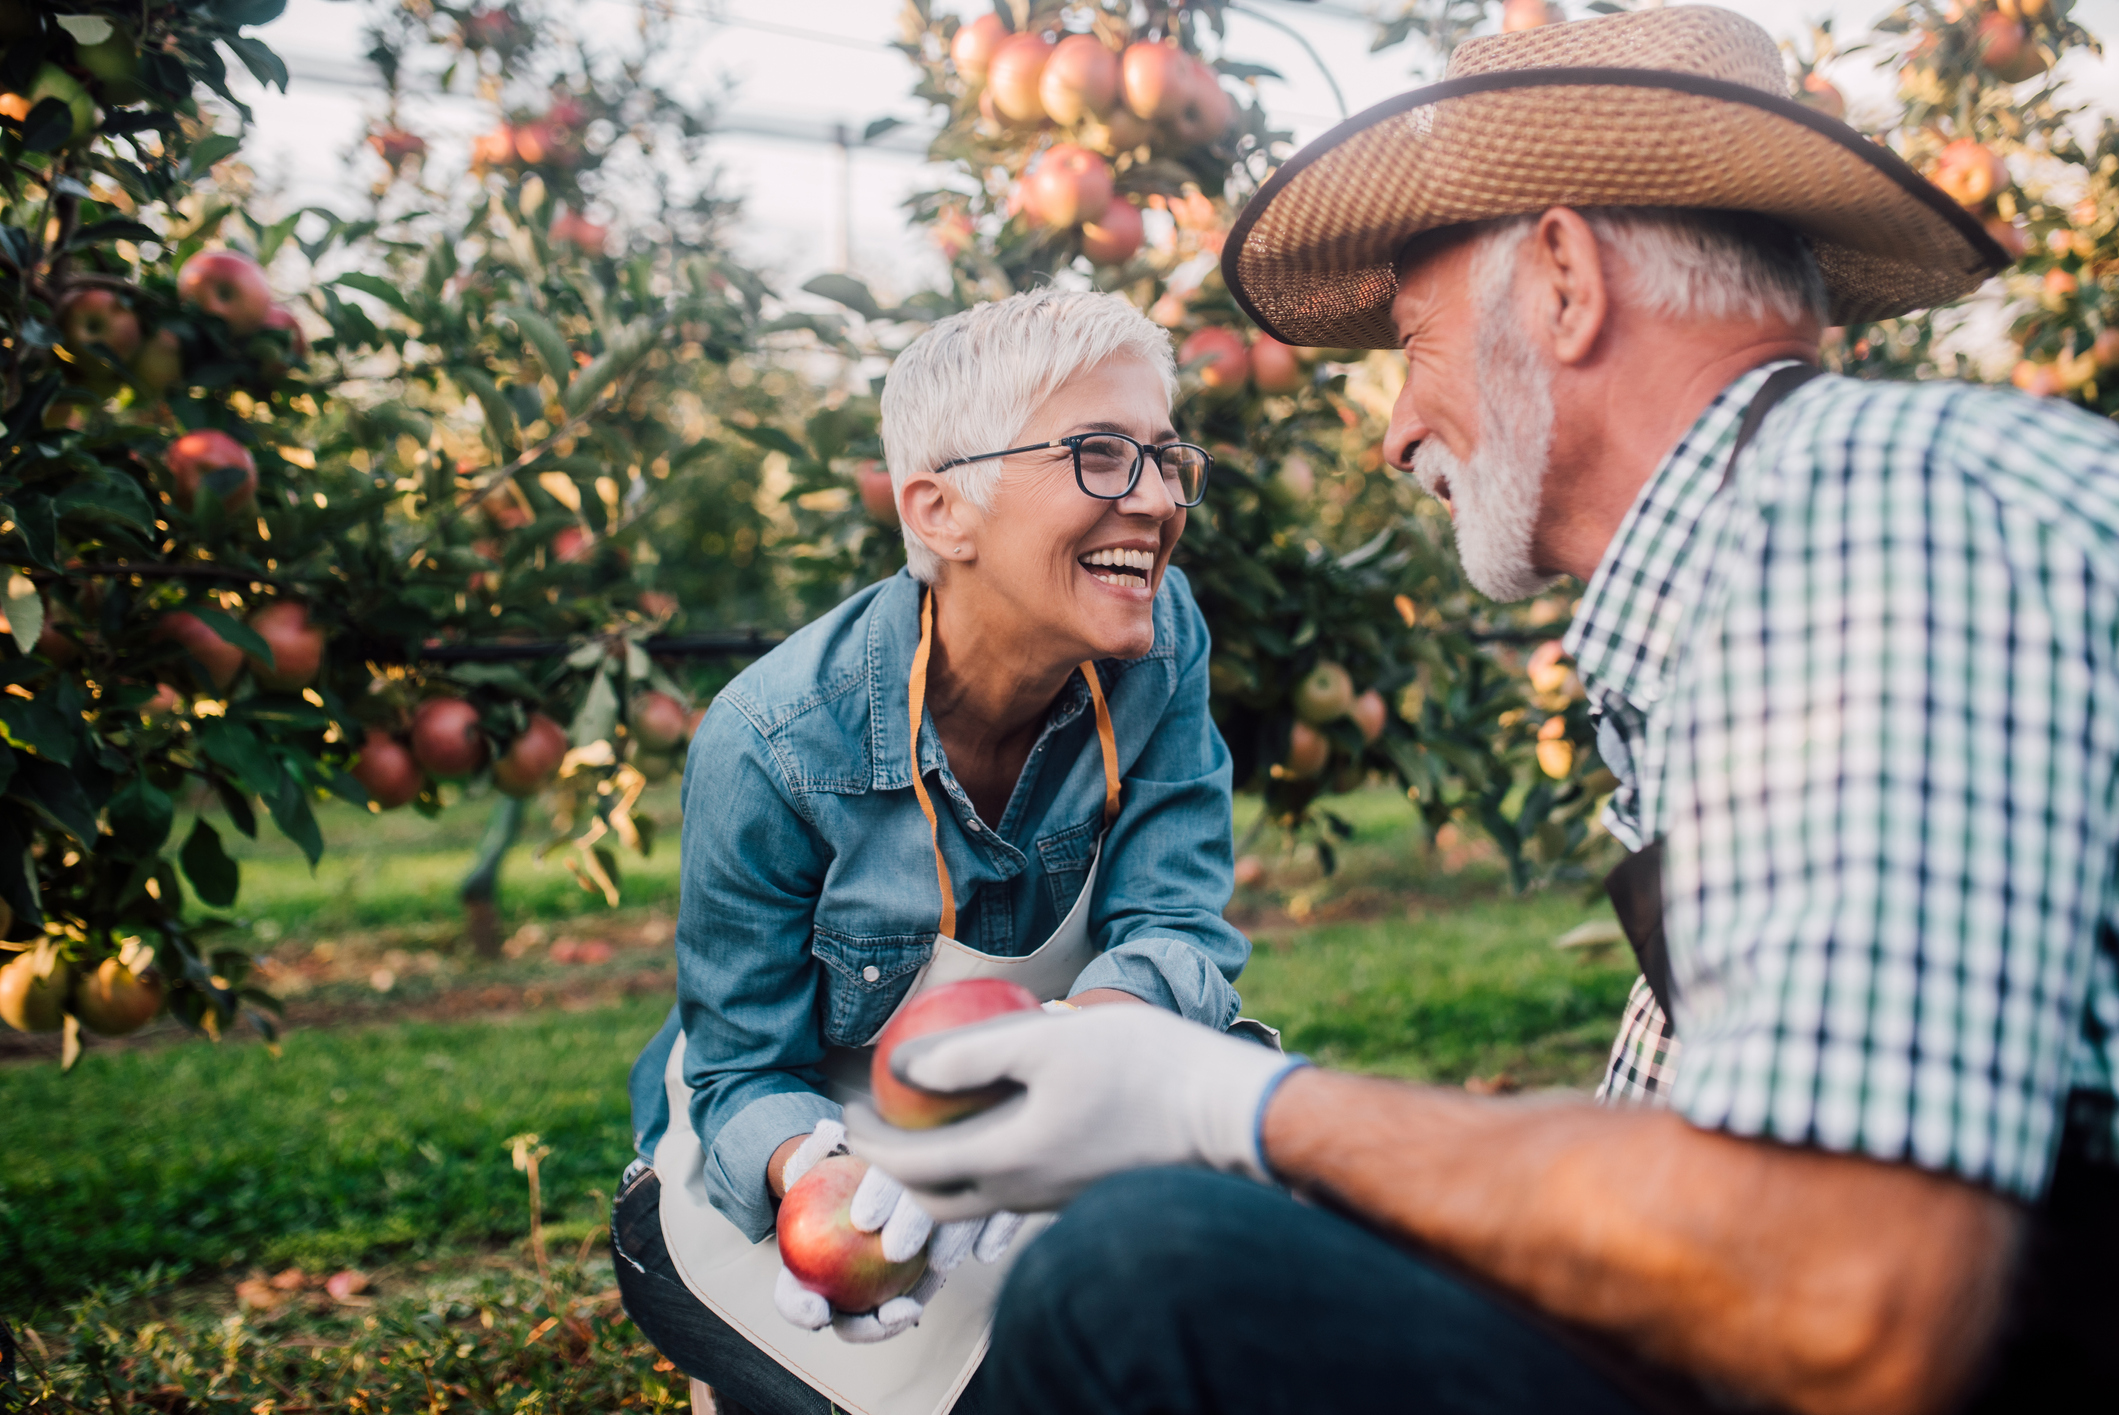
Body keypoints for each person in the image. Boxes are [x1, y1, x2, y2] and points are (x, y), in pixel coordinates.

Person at [848, 9, 2119, 1415]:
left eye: (1412, 340)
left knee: (1144, 1276)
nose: (1394, 425)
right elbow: (1683, 1166)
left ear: (1564, 282)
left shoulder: (1876, 530)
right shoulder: (1784, 552)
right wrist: (1195, 1132)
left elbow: (1840, 1286)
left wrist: (1237, 1107)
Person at [611, 287, 1256, 1415]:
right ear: (940, 509)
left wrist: (1071, 1068)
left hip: (1028, 1095)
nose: (1155, 500)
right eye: (1101, 456)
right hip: (811, 1144)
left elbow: (1173, 924)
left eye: (1164, 457)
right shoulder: (772, 742)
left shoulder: (1165, 641)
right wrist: (819, 1181)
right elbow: (738, 1069)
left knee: (1260, 1297)